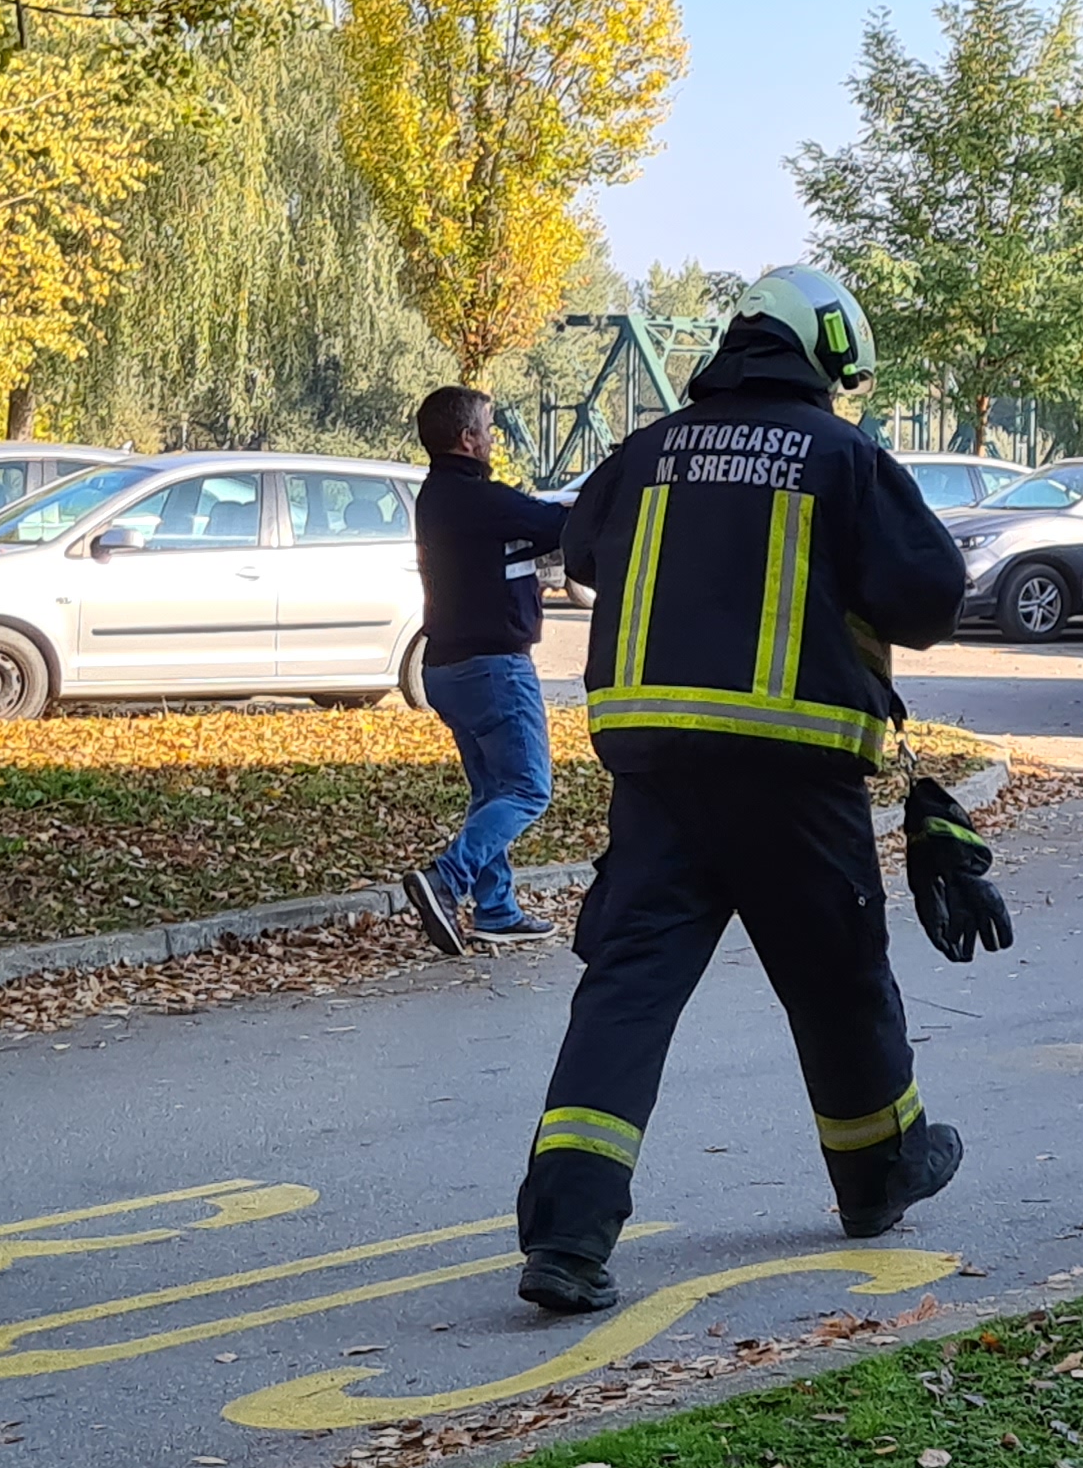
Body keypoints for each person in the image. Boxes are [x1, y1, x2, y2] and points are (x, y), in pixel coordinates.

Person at [511, 264, 1005, 1316]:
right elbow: (930, 597)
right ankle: (877, 1177)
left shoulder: (645, 452)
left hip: (657, 777)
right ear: (824, 359)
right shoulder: (843, 456)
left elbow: (586, 549)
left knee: (627, 992)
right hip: (794, 776)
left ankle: (566, 1235)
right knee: (838, 979)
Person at [402, 384, 572, 956]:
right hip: (492, 667)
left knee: (491, 791)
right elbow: (554, 524)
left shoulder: (437, 496)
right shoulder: (477, 499)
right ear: (467, 438)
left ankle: (496, 909)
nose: (494, 436)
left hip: (448, 666)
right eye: (489, 427)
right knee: (527, 788)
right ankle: (447, 880)